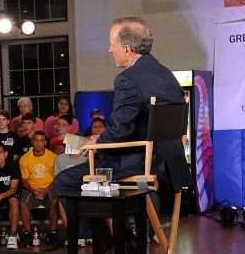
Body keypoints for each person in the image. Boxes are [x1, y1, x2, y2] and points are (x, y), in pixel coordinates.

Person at [53, 16, 189, 201]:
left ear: (127, 49)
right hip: (171, 163)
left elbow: (119, 131)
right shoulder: (166, 75)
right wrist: (101, 138)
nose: (110, 50)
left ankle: (112, 231)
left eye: (111, 44)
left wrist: (97, 142)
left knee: (64, 180)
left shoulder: (127, 79)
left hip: (141, 162)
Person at [19, 131, 59, 246]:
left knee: (55, 201)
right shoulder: (24, 158)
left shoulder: (53, 157)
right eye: (36, 140)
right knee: (23, 202)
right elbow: (25, 180)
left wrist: (45, 190)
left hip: (49, 187)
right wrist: (34, 191)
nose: (38, 143)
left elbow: (56, 180)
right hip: (32, 188)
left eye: (41, 141)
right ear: (32, 142)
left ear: (45, 142)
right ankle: (28, 233)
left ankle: (52, 232)